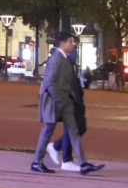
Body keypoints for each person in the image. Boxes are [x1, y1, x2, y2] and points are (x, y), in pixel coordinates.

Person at [30, 31, 104, 175]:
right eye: (70, 42)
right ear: (63, 44)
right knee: (48, 130)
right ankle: (36, 162)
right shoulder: (56, 59)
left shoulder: (63, 59)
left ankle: (83, 164)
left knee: (73, 131)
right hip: (54, 101)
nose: (72, 44)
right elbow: (50, 83)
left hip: (63, 101)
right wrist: (61, 100)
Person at [47, 44, 87, 172]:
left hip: (73, 99)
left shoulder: (68, 62)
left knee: (77, 128)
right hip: (69, 100)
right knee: (75, 128)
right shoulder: (60, 61)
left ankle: (58, 149)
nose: (73, 50)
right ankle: (66, 159)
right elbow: (54, 82)